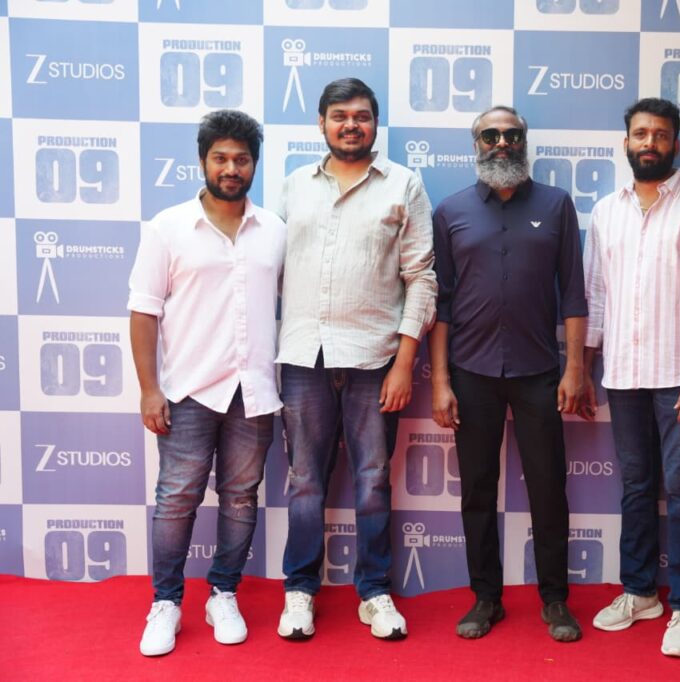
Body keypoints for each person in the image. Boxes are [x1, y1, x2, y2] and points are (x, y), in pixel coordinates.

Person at [275, 78, 437, 641]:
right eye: (339, 115)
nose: (351, 125)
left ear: (375, 123)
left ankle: (374, 592)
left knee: (373, 480)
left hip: (376, 359)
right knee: (304, 482)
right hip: (304, 356)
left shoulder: (404, 184)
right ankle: (299, 591)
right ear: (321, 123)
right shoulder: (294, 186)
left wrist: (404, 361)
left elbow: (422, 278)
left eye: (362, 116)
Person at [582, 97, 680, 658]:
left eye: (660, 134)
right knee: (635, 487)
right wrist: (584, 365)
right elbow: (596, 295)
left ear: (675, 143)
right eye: (640, 133)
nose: (649, 142)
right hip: (623, 374)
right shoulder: (606, 211)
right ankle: (640, 591)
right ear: (626, 142)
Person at [129, 110, 285, 656]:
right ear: (202, 162)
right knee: (176, 499)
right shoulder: (167, 228)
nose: (231, 168)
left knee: (240, 498)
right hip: (188, 390)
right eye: (220, 157)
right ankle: (165, 603)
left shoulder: (275, 231)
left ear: (254, 165)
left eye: (241, 159)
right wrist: (150, 389)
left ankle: (224, 593)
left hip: (254, 392)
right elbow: (144, 311)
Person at [429, 105, 588, 642]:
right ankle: (485, 598)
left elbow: (573, 294)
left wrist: (575, 369)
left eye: (512, 135)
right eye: (491, 135)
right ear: (475, 143)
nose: (502, 143)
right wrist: (440, 381)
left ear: (524, 141)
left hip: (539, 370)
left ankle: (555, 600)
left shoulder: (556, 205)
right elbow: (440, 302)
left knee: (548, 487)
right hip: (470, 372)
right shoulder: (450, 211)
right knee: (477, 489)